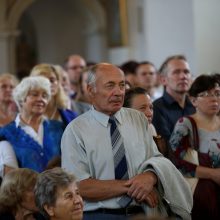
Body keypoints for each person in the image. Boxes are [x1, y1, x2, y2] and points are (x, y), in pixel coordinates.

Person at [61, 63, 193, 220]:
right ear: (91, 90)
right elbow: (80, 186)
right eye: (110, 86)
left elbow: (156, 159)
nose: (118, 92)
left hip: (144, 212)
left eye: (122, 85)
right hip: (101, 215)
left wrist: (150, 177)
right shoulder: (76, 130)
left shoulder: (137, 118)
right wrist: (135, 186)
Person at [169, 74, 220, 220]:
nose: (214, 99)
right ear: (193, 100)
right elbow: (173, 162)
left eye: (217, 93)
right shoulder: (186, 124)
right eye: (206, 95)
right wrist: (213, 174)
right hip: (200, 195)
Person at [0, 76, 64, 173]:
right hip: (25, 187)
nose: (41, 99)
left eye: (45, 96)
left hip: (61, 187)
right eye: (34, 95)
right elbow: (10, 178)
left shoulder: (59, 128)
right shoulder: (6, 133)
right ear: (21, 99)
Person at [152, 55, 195, 142]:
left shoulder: (196, 105)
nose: (183, 76)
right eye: (176, 72)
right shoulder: (156, 108)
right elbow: (167, 146)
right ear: (163, 80)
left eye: (186, 72)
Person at [123, 87, 168, 156]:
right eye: (142, 108)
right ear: (126, 111)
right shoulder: (121, 136)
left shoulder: (150, 128)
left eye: (151, 108)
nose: (150, 113)